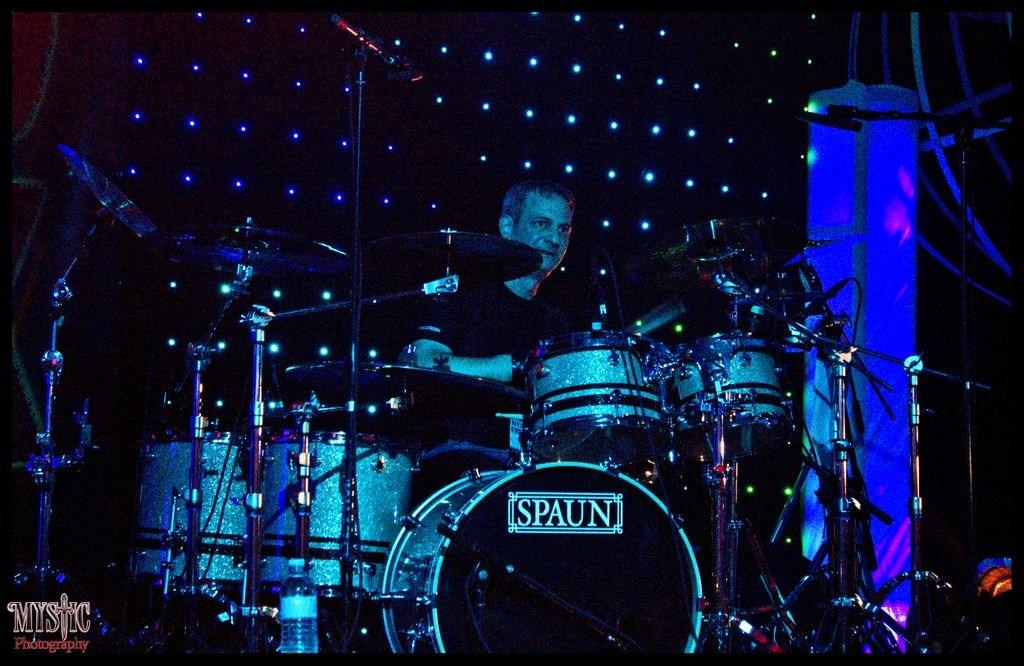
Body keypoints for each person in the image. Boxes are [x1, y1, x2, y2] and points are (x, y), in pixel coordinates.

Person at [400, 180, 575, 493]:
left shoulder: (556, 322)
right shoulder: (459, 293)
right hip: (456, 465)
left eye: (563, 229)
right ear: (507, 227)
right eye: (541, 223)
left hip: (528, 467)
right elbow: (419, 361)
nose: (554, 238)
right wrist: (509, 366)